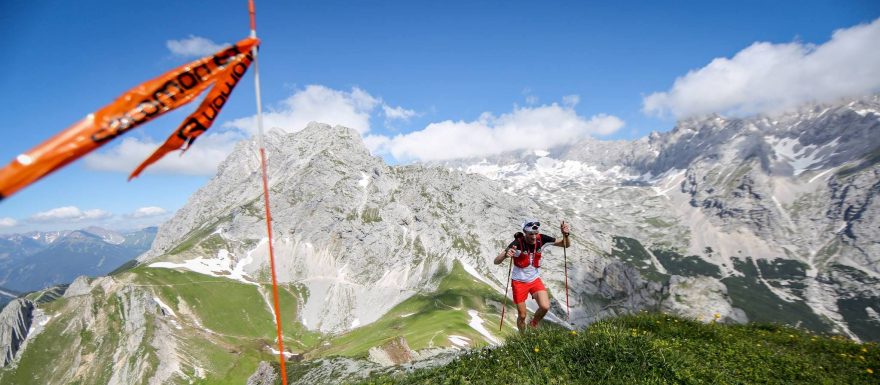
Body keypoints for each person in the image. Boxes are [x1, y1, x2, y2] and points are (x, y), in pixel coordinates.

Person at [494, 219, 570, 332]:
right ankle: (523, 337)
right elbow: (496, 261)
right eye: (531, 234)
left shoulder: (542, 239)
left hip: (534, 279)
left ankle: (533, 324)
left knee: (545, 307)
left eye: (536, 233)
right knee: (522, 315)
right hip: (519, 282)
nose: (534, 237)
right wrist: (506, 255)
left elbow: (565, 245)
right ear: (525, 233)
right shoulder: (517, 244)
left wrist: (566, 235)